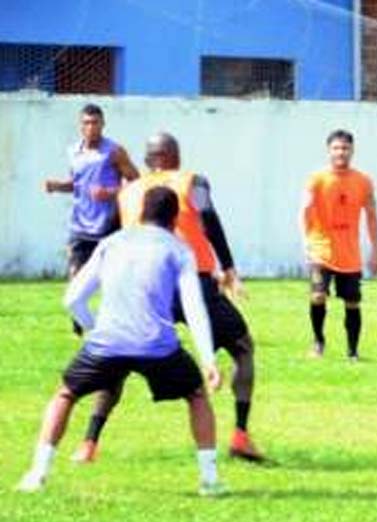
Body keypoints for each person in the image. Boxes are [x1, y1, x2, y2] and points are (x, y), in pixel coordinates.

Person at [16, 186, 226, 496]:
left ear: (141, 212)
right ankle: (209, 480)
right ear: (174, 219)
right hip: (158, 347)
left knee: (65, 395)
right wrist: (208, 360)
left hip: (106, 344)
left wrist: (94, 328)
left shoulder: (111, 242)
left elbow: (72, 299)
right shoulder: (179, 249)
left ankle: (37, 474)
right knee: (196, 395)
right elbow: (194, 308)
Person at [85, 132, 266, 464]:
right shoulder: (192, 181)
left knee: (120, 360)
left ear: (148, 158)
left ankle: (89, 442)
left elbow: (110, 235)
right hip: (193, 280)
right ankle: (240, 435)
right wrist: (229, 269)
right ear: (172, 155)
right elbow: (210, 219)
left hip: (146, 286)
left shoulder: (128, 192)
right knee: (243, 347)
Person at [43, 103, 139, 461]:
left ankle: (103, 331)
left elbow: (137, 181)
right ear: (79, 126)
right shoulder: (74, 152)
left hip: (108, 229)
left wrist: (112, 194)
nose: (91, 127)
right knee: (74, 283)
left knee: (110, 286)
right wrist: (60, 186)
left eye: (96, 121)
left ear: (103, 124)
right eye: (85, 122)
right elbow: (80, 185)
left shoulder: (114, 152)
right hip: (80, 228)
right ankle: (87, 331)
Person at [301, 129, 377, 361]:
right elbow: (303, 210)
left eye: (345, 148)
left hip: (349, 254)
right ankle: (318, 342)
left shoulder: (363, 181)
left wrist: (375, 250)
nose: (340, 152)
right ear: (329, 151)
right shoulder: (316, 179)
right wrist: (305, 239)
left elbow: (373, 216)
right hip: (321, 250)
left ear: (352, 151)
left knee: (352, 302)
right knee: (317, 296)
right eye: (336, 148)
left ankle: (353, 352)